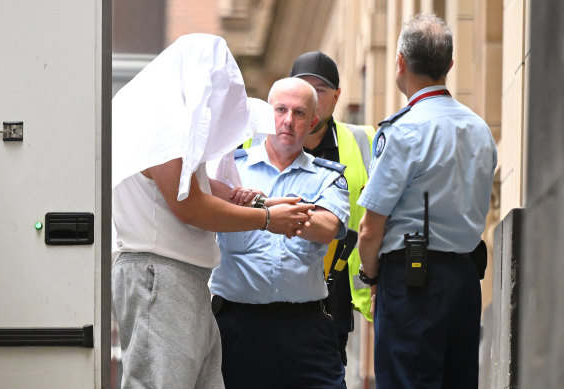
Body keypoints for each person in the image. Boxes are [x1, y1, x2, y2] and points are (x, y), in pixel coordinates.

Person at [111, 34, 314, 389]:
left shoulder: (157, 105)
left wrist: (256, 202)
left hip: (174, 276)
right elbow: (188, 204)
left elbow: (193, 183)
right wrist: (267, 219)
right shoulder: (163, 114)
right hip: (159, 275)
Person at [356, 14, 497, 388]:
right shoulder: (480, 130)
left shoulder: (403, 131)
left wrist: (369, 277)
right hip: (466, 281)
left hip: (412, 281)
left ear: (400, 61)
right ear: (449, 65)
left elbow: (370, 229)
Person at [209, 77, 350, 389]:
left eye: (299, 114)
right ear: (265, 115)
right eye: (281, 110)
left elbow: (327, 228)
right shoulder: (230, 170)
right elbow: (204, 212)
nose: (288, 121)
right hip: (237, 325)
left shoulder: (328, 177)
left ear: (313, 122)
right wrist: (288, 213)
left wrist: (259, 207)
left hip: (305, 328)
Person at [290, 50, 376, 365]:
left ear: (337, 96)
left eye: (320, 91)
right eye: (302, 88)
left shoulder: (366, 142)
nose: (310, 99)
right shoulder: (254, 143)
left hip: (333, 306)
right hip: (267, 303)